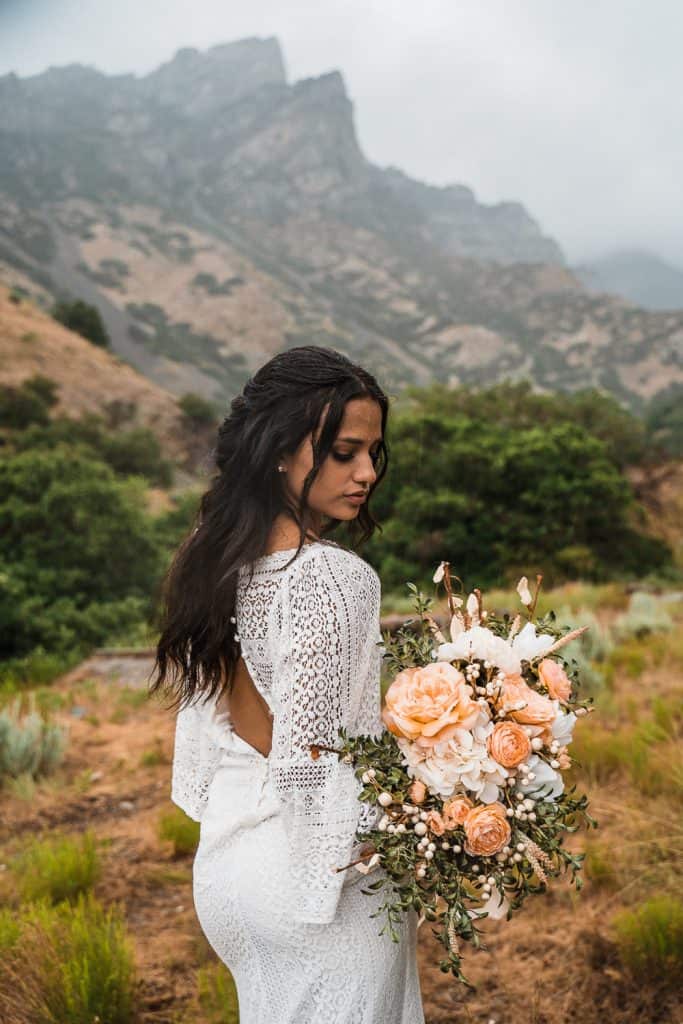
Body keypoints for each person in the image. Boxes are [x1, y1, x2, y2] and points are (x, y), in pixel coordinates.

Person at [150, 345, 425, 1023]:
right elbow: (313, 762)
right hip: (312, 883)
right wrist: (432, 812)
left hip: (231, 872)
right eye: (342, 452)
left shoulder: (212, 559)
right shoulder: (331, 577)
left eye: (372, 453)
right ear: (277, 450)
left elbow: (257, 727)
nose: (365, 473)